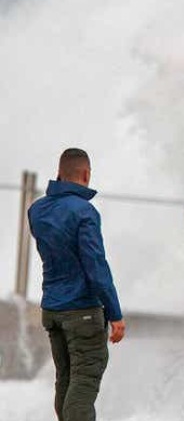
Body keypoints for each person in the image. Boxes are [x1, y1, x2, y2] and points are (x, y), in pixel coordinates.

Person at [28, 148, 126, 421]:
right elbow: (95, 266)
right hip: (82, 310)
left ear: (59, 173)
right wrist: (115, 313)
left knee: (66, 381)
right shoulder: (85, 212)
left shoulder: (36, 210)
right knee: (83, 385)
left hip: (52, 310)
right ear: (86, 174)